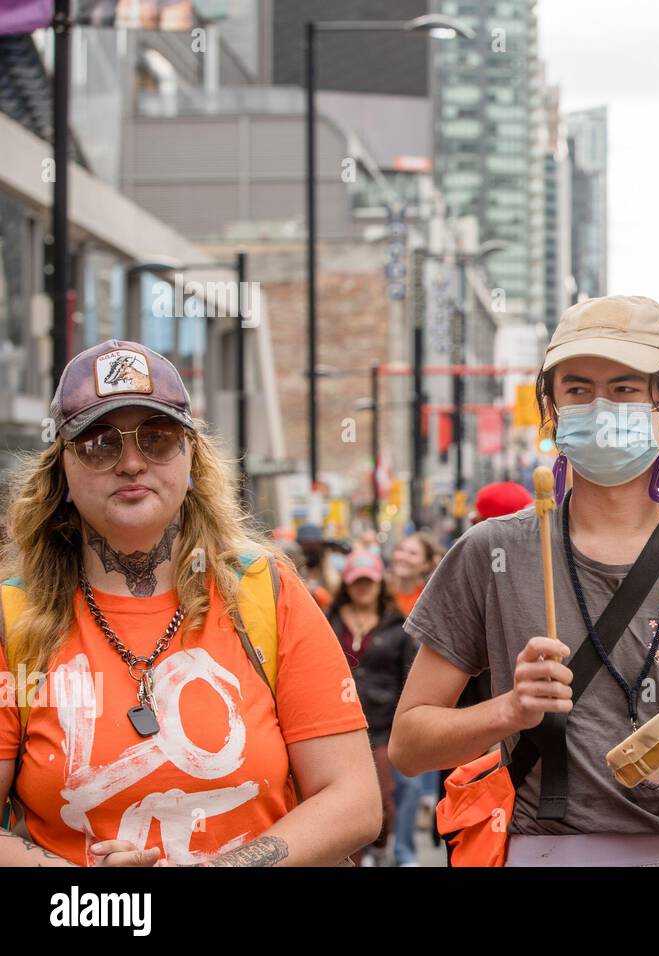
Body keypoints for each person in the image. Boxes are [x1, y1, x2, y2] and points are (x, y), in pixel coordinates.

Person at [390, 294, 659, 866]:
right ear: (555, 410)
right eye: (578, 389)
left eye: (626, 389)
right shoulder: (492, 552)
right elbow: (409, 746)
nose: (600, 406)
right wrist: (510, 709)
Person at [0, 339, 378, 867]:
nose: (131, 462)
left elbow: (354, 800)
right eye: (98, 443)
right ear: (61, 472)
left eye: (157, 438)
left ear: (192, 459)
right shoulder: (12, 619)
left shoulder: (265, 593)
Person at [326, 549, 414, 866]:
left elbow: (408, 677)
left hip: (382, 725)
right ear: (347, 584)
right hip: (336, 723)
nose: (363, 587)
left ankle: (380, 848)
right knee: (342, 800)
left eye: (369, 582)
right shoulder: (328, 620)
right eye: (357, 582)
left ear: (379, 583)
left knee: (383, 797)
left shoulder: (398, 626)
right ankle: (354, 857)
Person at [386, 531, 443, 863]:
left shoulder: (431, 594)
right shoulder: (380, 591)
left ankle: (405, 848)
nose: (404, 557)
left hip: (420, 687)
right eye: (401, 550)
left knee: (409, 777)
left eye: (413, 553)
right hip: (386, 692)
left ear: (424, 563)